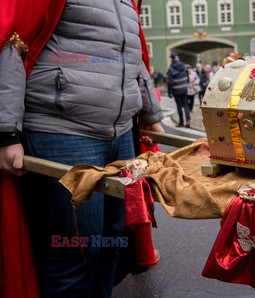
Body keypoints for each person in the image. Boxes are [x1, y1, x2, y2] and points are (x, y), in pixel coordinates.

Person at [0, 1, 165, 297]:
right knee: (78, 248)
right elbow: (13, 43)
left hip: (121, 133)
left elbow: (133, 56)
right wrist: (7, 131)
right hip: (63, 129)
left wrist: (151, 115)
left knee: (114, 238)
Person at [167, 52, 190, 128]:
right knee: (186, 105)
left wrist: (169, 91)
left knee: (179, 106)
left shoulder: (171, 68)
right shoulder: (183, 65)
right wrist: (186, 84)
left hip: (176, 90)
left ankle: (181, 122)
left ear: (173, 59)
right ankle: (188, 120)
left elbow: (170, 82)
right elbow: (187, 76)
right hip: (184, 89)